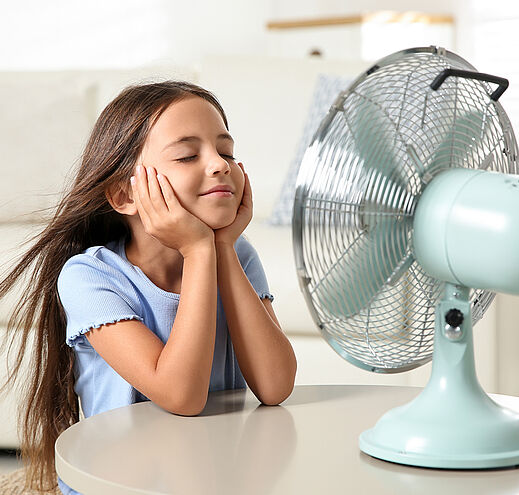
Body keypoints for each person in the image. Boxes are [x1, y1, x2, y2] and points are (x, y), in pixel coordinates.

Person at [0, 80, 297, 494]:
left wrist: (222, 249)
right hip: (120, 485)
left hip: (211, 479)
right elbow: (181, 395)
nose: (220, 164)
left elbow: (275, 385)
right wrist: (198, 251)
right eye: (188, 155)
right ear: (125, 194)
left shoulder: (236, 254)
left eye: (226, 151)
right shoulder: (90, 277)